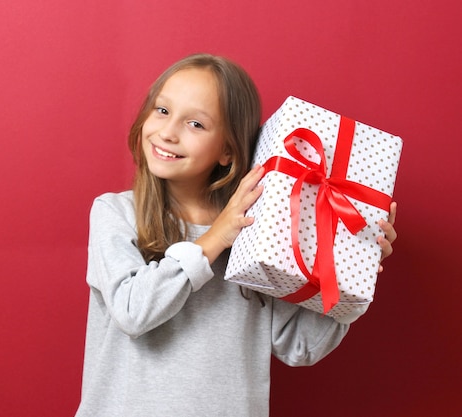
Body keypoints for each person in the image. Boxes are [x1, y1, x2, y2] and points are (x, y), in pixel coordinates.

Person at [75, 53, 397, 417]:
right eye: (162, 111)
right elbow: (133, 311)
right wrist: (215, 238)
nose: (167, 132)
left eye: (195, 123)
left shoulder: (257, 232)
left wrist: (353, 270)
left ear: (227, 150)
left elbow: (297, 346)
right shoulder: (116, 212)